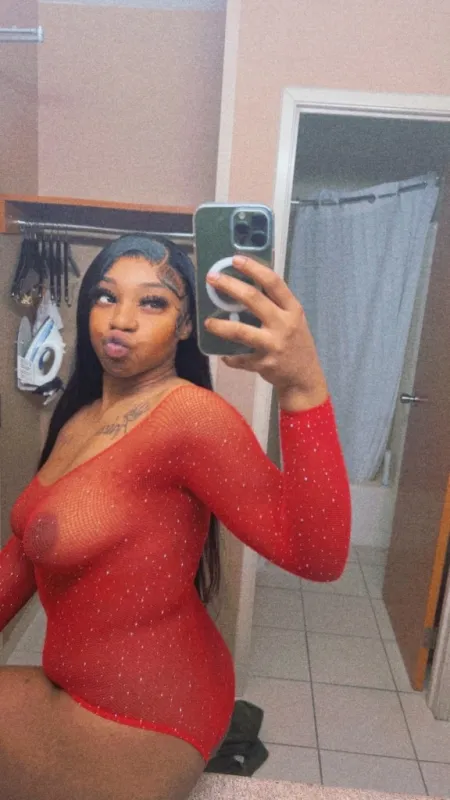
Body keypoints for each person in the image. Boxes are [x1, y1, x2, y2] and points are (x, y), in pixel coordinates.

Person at [0, 235, 351, 800]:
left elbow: (319, 556)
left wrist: (302, 384)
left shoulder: (189, 415)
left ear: (187, 325)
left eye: (153, 302)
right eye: (106, 296)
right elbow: (25, 552)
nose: (121, 319)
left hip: (151, 711)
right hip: (78, 687)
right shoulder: (79, 416)